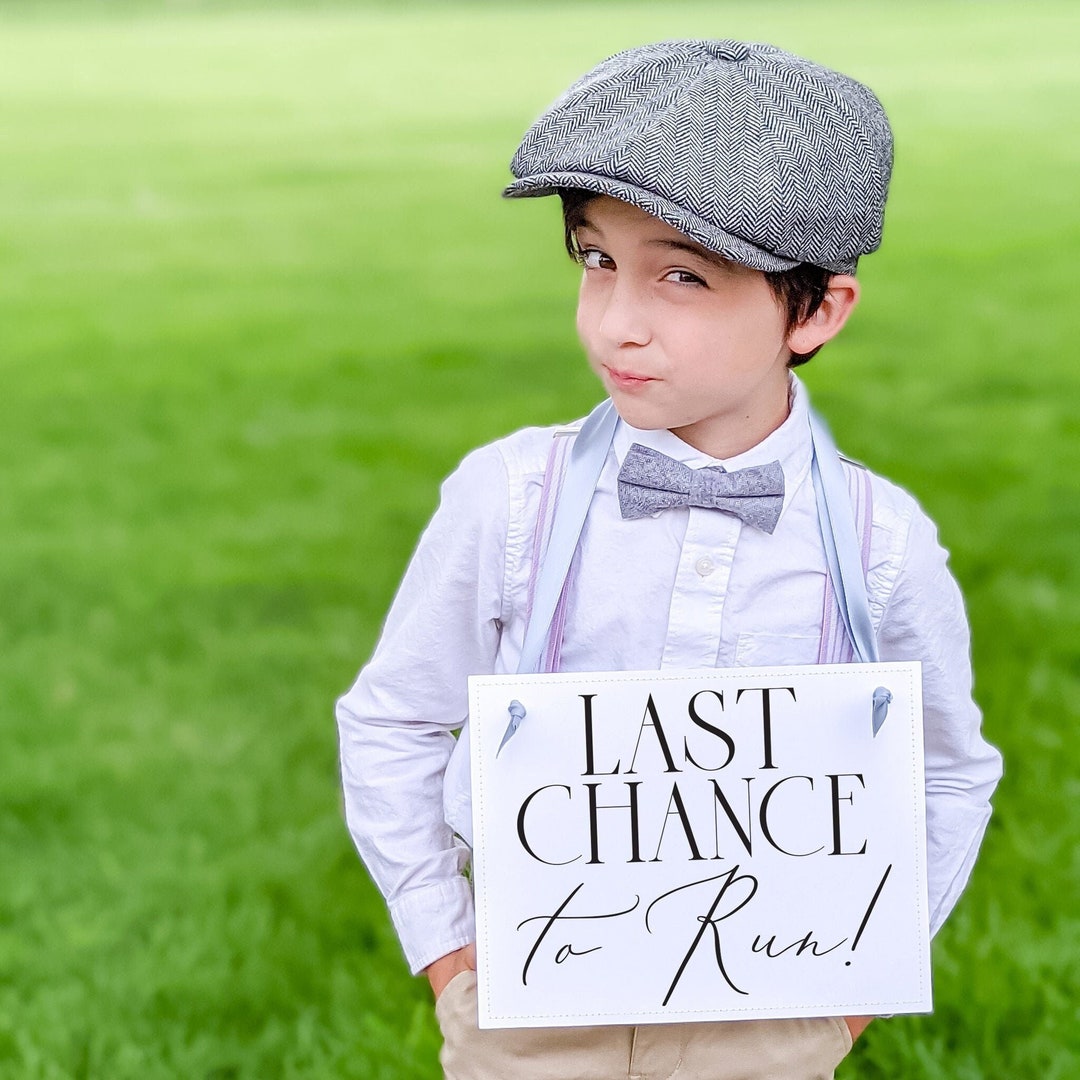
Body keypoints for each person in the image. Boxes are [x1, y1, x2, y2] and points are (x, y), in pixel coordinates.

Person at [336, 39, 1002, 1080]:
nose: (615, 323)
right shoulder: (510, 498)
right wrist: (451, 956)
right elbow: (393, 718)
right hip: (530, 1003)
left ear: (817, 310)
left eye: (682, 276)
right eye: (597, 261)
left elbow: (950, 770)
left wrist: (860, 991)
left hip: (772, 1012)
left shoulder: (881, 544)